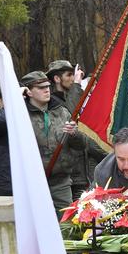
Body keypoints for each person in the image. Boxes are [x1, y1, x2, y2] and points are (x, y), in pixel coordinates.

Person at [20, 71, 86, 215]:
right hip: (33, 184)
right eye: (41, 88)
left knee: (66, 225)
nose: (46, 90)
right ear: (29, 92)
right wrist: (16, 99)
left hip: (61, 182)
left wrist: (74, 134)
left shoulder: (62, 112)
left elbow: (81, 145)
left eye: (48, 86)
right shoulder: (20, 115)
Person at [46, 59, 107, 200]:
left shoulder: (72, 96)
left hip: (83, 171)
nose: (73, 79)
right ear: (56, 78)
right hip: (70, 174)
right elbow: (70, 116)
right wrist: (77, 85)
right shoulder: (53, 103)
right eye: (69, 75)